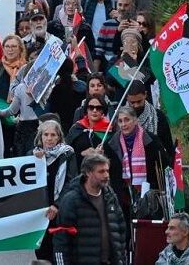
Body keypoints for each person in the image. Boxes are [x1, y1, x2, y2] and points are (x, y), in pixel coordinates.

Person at [52, 154, 127, 265]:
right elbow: (61, 240)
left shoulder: (111, 197)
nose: (106, 175)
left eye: (107, 171)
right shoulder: (71, 200)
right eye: (101, 171)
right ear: (88, 173)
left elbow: (120, 231)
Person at [106, 107, 171, 227]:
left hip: (149, 195)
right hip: (124, 195)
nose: (123, 124)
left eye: (127, 120)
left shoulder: (150, 139)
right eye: (120, 121)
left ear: (135, 120)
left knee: (145, 229)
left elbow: (165, 164)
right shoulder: (111, 143)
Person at [30, 120, 77, 263]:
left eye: (53, 135)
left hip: (59, 211)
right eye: (46, 135)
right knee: (41, 253)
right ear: (40, 137)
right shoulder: (31, 155)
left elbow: (71, 182)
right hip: (40, 213)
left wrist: (57, 205)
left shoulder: (67, 154)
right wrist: (35, 160)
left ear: (59, 137)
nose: (49, 138)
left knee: (58, 252)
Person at [126, 80, 175, 158]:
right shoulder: (121, 119)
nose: (136, 105)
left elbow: (168, 145)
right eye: (132, 102)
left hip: (155, 160)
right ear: (127, 98)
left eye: (139, 101)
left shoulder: (158, 116)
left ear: (145, 94)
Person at [66, 97, 112, 171]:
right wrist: (83, 153)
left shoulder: (109, 131)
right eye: (91, 107)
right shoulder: (76, 128)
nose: (94, 110)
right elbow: (67, 153)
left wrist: (102, 155)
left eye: (98, 108)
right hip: (78, 172)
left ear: (103, 111)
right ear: (86, 110)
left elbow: (114, 158)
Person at [95, 0, 135, 71]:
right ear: (116, 5)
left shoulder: (135, 25)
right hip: (108, 66)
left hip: (129, 68)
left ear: (132, 7)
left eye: (126, 5)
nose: (122, 8)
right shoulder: (107, 24)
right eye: (120, 5)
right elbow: (98, 51)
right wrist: (95, 72)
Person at [0, 35, 27, 103]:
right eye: (7, 46)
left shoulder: (27, 68)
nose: (10, 50)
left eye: (14, 46)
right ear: (3, 49)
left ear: (20, 49)